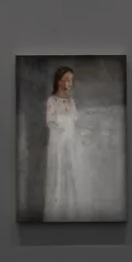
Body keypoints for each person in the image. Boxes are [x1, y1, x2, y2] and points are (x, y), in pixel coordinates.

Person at [44, 66, 81, 221]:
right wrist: (62, 125)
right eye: (66, 79)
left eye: (71, 80)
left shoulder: (71, 102)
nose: (69, 83)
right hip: (57, 145)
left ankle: (70, 213)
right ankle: (56, 214)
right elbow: (50, 122)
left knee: (70, 173)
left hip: (70, 144)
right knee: (58, 175)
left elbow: (75, 120)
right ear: (59, 82)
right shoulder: (52, 101)